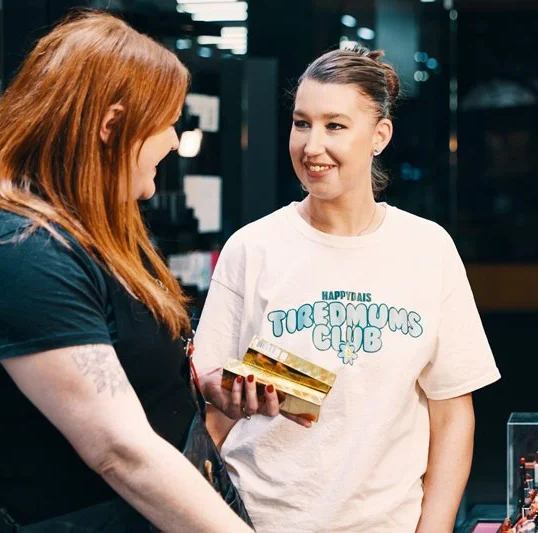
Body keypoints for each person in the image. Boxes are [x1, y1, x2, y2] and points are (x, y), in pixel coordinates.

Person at [0, 11, 253, 532]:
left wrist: (198, 388)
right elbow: (120, 449)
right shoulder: (16, 250)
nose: (176, 142)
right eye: (167, 123)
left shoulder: (89, 227)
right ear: (112, 126)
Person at [193, 45, 501, 533]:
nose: (312, 145)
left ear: (380, 135)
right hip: (257, 521)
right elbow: (213, 412)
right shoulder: (252, 248)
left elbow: (452, 415)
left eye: (335, 125)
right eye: (301, 123)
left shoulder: (427, 248)